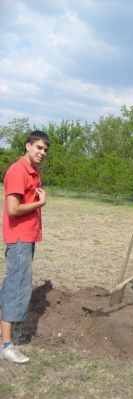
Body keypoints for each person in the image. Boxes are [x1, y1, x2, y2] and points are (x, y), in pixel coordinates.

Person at [0, 130, 50, 363]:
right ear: (28, 146)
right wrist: (40, 203)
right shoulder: (18, 171)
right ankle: (6, 344)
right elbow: (12, 209)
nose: (42, 152)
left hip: (26, 237)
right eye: (39, 147)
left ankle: (12, 333)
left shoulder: (32, 171)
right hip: (19, 238)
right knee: (16, 286)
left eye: (45, 150)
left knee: (18, 285)